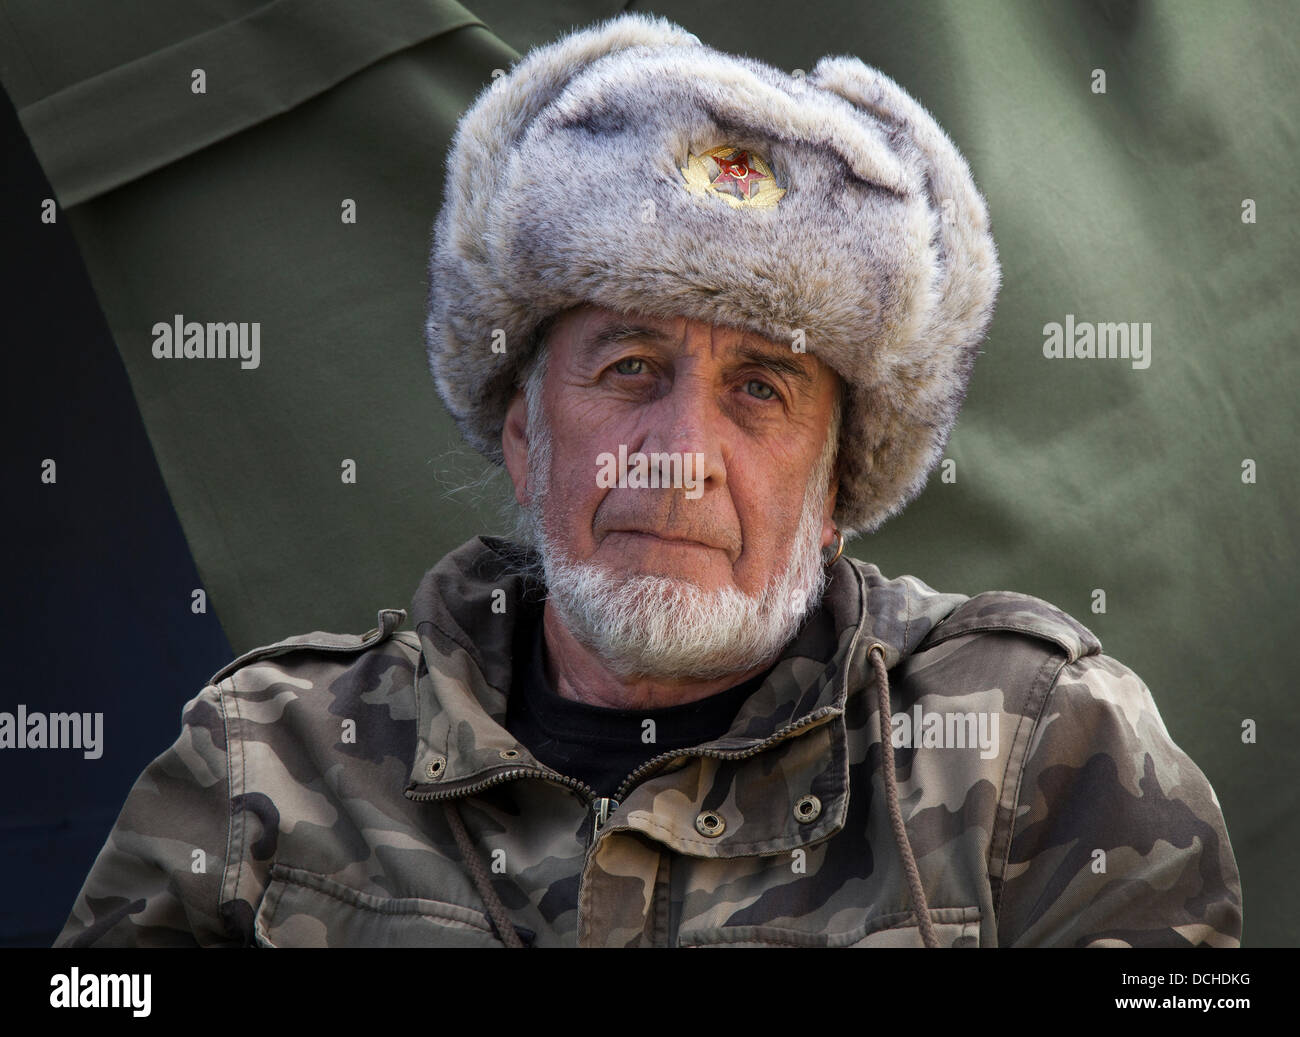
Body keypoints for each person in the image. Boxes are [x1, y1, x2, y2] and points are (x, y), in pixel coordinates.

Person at [55, 12, 1241, 948]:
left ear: (837, 491)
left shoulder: (1035, 749)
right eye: (629, 366)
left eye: (763, 390)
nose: (679, 448)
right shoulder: (266, 757)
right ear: (525, 437)